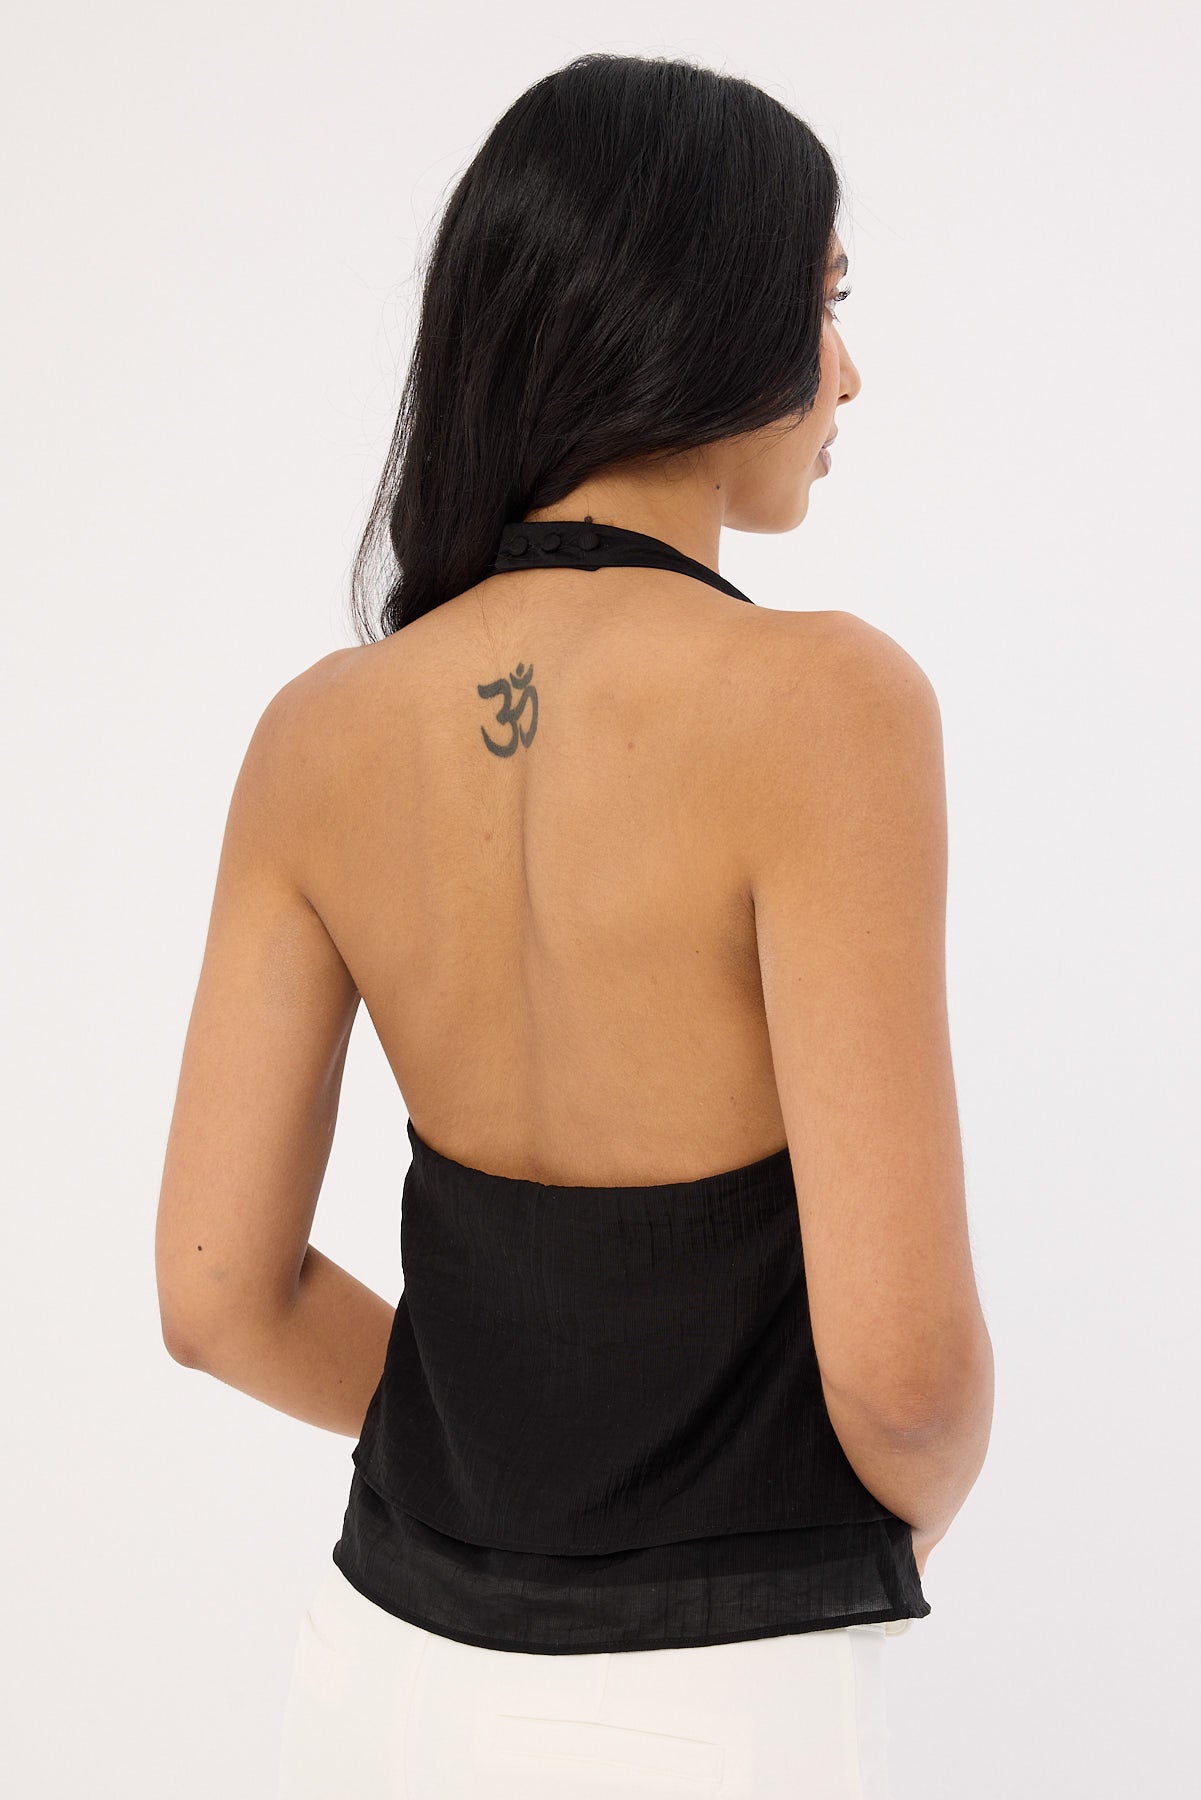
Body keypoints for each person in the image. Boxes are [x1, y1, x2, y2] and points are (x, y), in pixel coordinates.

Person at [154, 50, 994, 1799]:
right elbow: (906, 1382)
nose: (847, 371)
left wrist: (514, 1458)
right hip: (725, 1690)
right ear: (697, 306)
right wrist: (870, 1534)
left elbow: (220, 1295)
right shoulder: (826, 705)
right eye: (825, 302)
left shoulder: (319, 733)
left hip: (376, 1671)